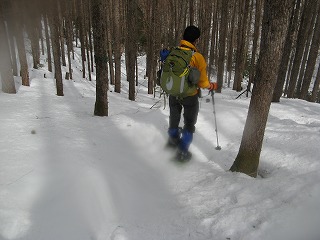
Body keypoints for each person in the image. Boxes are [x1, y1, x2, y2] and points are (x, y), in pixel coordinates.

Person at [167, 25, 218, 160]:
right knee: (189, 123)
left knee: (174, 117)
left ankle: (172, 139)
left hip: (173, 92)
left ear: (183, 37)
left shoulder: (173, 51)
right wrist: (211, 86)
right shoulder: (197, 57)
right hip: (189, 95)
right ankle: (182, 151)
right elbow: (202, 82)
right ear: (196, 40)